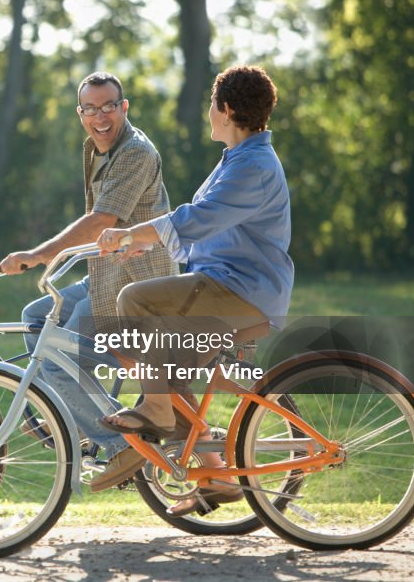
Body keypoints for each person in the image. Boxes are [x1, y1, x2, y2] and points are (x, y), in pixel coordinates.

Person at [94, 65, 293, 514]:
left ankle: (156, 412)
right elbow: (205, 231)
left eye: (210, 104)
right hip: (228, 285)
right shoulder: (239, 158)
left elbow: (195, 219)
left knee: (136, 298)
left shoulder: (253, 166)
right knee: (170, 373)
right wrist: (140, 247)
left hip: (242, 292)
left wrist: (130, 234)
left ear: (225, 109)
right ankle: (218, 477)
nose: (208, 112)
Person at [0, 71, 178, 468]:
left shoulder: (135, 152)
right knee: (35, 317)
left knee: (60, 362)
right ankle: (74, 417)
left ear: (124, 107)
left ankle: (121, 445)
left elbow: (102, 220)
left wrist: (39, 253)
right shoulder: (96, 147)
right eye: (91, 109)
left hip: (136, 285)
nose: (101, 117)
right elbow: (100, 228)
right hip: (106, 275)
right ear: (80, 113)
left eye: (109, 107)